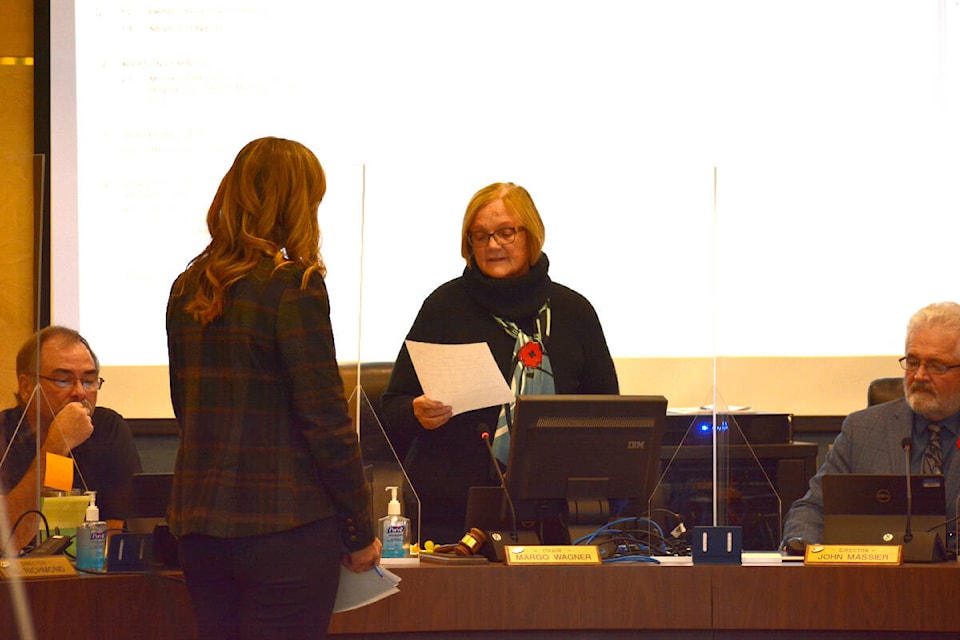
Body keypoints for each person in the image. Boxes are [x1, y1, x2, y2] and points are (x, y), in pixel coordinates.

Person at [166, 137, 380, 640]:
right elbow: (325, 419)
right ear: (296, 206)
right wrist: (358, 527)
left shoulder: (187, 286)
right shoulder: (293, 284)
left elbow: (185, 407)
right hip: (286, 530)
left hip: (199, 530)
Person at [381, 182, 619, 544]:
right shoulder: (444, 307)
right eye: (480, 236)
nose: (493, 245)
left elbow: (609, 418)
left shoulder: (574, 313)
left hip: (556, 518)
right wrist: (416, 412)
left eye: (506, 232)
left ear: (531, 235)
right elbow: (392, 408)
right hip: (451, 521)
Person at [782, 301, 960, 549]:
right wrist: (803, 547)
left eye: (935, 365)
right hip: (875, 581)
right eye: (912, 361)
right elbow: (812, 509)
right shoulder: (863, 430)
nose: (919, 375)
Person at [0, 326, 142, 555]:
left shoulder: (108, 427)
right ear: (27, 387)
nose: (80, 393)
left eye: (89, 381)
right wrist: (57, 446)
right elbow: (8, 541)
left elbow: (119, 533)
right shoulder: (5, 433)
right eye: (63, 381)